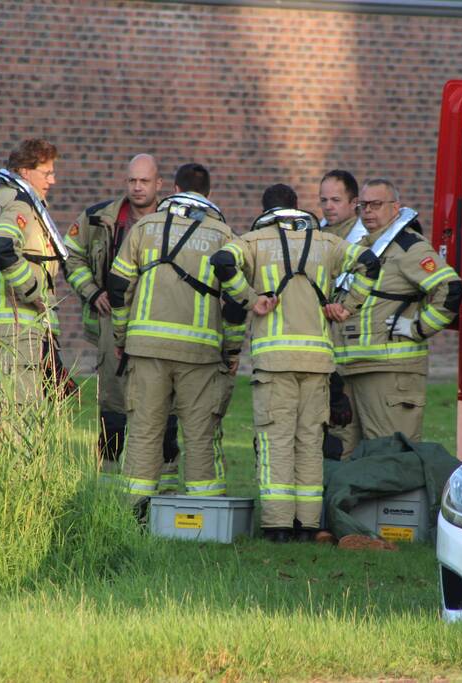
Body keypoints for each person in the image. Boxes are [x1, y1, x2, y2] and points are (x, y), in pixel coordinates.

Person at [211, 184, 380, 542]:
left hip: (274, 362)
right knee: (309, 443)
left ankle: (277, 527)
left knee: (276, 442)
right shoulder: (326, 242)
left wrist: (250, 299)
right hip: (318, 361)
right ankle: (307, 526)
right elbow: (370, 263)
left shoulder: (254, 241)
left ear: (265, 209)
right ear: (297, 207)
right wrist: (348, 305)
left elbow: (222, 261)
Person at [106, 163, 247, 515]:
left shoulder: (145, 227)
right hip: (200, 354)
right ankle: (203, 515)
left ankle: (133, 514)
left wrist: (122, 335)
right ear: (208, 194)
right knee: (200, 434)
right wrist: (231, 350)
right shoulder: (222, 235)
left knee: (144, 430)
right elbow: (234, 304)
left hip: (145, 348)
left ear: (174, 189)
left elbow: (119, 285)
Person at [64, 154, 181, 487]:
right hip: (110, 319)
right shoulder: (100, 218)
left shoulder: (176, 220)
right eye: (132, 181)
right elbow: (70, 254)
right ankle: (110, 483)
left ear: (159, 184)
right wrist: (91, 291)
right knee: (113, 402)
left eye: (145, 181)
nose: (138, 187)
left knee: (164, 402)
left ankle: (165, 483)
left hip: (160, 323)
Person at [335, 179, 462, 442]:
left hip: (391, 371)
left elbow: (450, 289)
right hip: (353, 368)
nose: (368, 211)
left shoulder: (408, 247)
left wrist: (418, 327)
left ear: (396, 208)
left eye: (376, 204)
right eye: (363, 205)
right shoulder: (362, 246)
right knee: (349, 455)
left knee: (390, 456)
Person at [0, 138, 67, 401]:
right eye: (47, 173)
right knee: (22, 418)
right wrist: (33, 292)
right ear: (25, 171)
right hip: (18, 329)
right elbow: (1, 248)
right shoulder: (20, 204)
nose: (52, 181)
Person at [319, 169, 367, 459]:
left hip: (357, 346)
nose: (328, 206)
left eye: (336, 199)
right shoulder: (315, 234)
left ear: (354, 203)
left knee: (352, 428)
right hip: (325, 347)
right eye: (323, 199)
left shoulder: (365, 239)